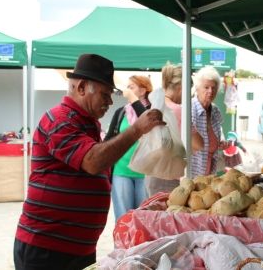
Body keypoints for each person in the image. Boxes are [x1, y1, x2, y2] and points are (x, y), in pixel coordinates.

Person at [13, 54, 165, 270]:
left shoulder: (87, 123)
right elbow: (92, 161)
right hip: (48, 249)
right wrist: (137, 129)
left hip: (76, 249)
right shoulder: (59, 119)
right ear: (82, 87)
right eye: (105, 94)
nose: (110, 101)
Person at [144, 63, 203, 196]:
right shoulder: (178, 110)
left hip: (152, 175)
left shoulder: (155, 106)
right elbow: (199, 144)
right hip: (169, 178)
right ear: (182, 88)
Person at [105, 75, 152, 220]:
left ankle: (142, 245)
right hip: (121, 171)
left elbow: (146, 121)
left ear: (143, 90)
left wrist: (133, 98)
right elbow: (109, 139)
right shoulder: (121, 112)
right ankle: (121, 244)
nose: (127, 90)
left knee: (143, 219)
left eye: (131, 87)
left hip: (145, 174)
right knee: (123, 219)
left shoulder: (152, 110)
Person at [190, 66, 228, 177]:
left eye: (214, 88)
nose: (210, 91)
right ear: (197, 88)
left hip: (210, 169)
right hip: (192, 171)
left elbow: (219, 131)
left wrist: (222, 141)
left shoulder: (215, 110)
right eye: (206, 87)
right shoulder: (190, 108)